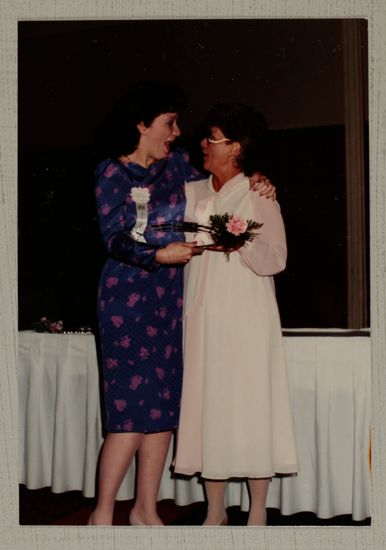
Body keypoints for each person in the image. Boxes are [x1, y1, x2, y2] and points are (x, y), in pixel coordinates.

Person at [90, 82, 276, 526]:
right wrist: (155, 254)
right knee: (129, 415)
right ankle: (100, 516)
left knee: (162, 411)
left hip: (171, 297)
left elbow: (221, 179)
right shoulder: (111, 172)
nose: (178, 132)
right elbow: (113, 236)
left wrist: (255, 177)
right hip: (127, 298)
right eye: (169, 123)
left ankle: (145, 510)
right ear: (141, 124)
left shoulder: (176, 166)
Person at [174, 103, 298, 526]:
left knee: (250, 403)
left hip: (246, 312)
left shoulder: (257, 192)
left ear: (236, 148)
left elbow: (275, 258)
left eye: (213, 138)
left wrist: (240, 241)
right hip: (205, 312)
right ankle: (214, 511)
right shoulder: (193, 192)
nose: (203, 144)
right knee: (210, 402)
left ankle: (257, 509)